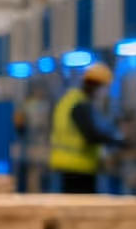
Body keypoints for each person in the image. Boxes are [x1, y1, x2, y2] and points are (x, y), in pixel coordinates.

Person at [48, 61, 122, 194]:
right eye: (105, 87)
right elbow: (91, 134)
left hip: (70, 166)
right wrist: (118, 140)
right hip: (77, 167)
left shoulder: (70, 99)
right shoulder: (79, 104)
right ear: (97, 86)